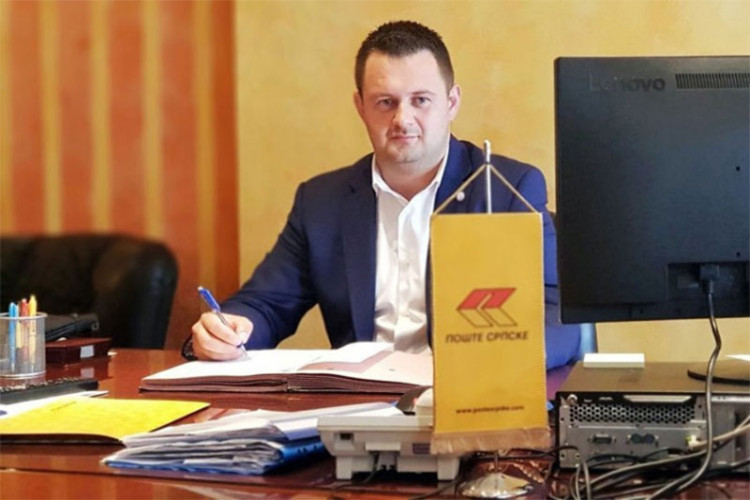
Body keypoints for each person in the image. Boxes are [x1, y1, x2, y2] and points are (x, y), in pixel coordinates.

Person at [186, 20, 581, 367]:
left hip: (470, 400)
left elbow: (558, 310)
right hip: (360, 408)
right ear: (361, 107)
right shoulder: (321, 203)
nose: (402, 119)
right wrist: (229, 331)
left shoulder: (507, 189)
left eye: (420, 100)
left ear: (451, 103)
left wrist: (499, 363)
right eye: (385, 102)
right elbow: (266, 305)